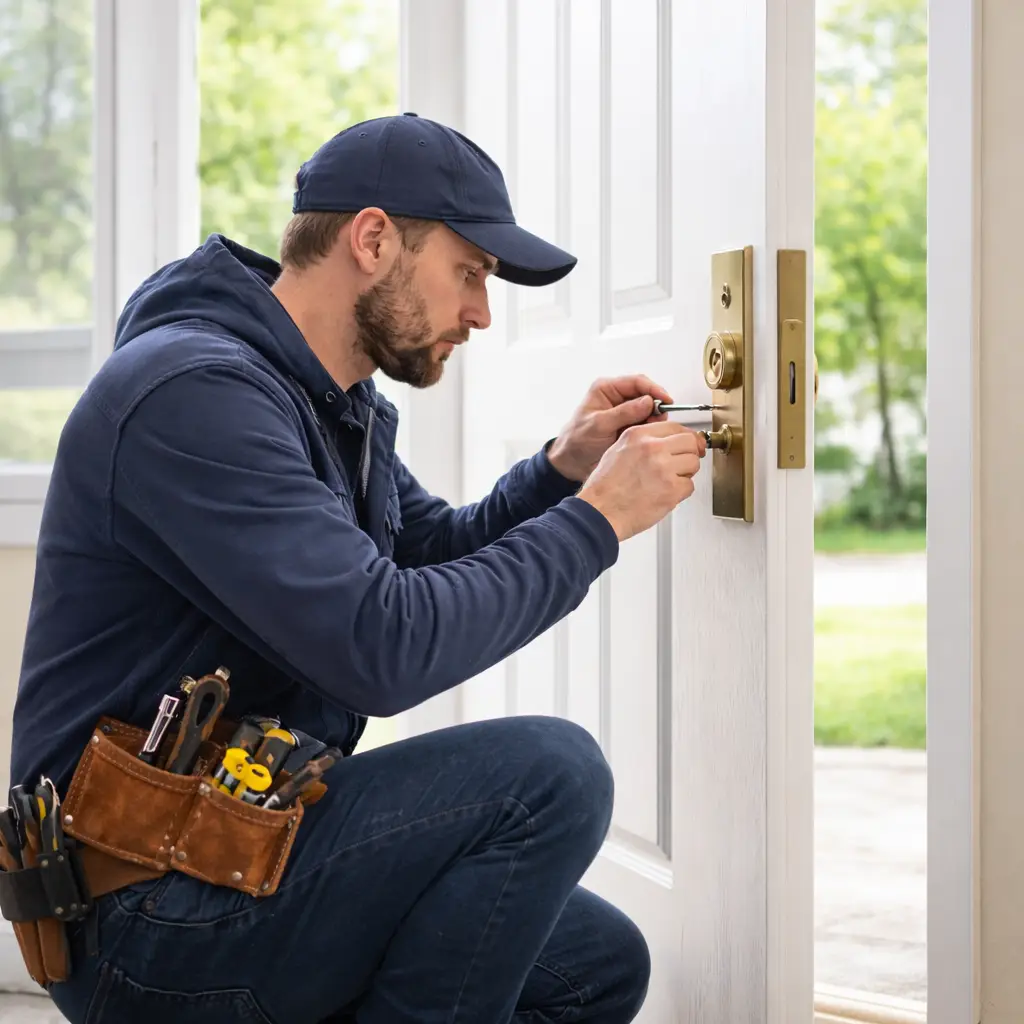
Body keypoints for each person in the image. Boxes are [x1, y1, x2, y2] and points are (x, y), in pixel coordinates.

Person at [12, 113, 705, 1023]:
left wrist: (560, 471)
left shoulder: (326, 401)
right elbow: (382, 645)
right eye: (469, 272)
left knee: (594, 964)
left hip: (244, 840)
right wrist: (598, 520)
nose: (481, 313)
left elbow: (422, 552)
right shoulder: (191, 394)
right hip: (141, 914)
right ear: (373, 239)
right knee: (551, 773)